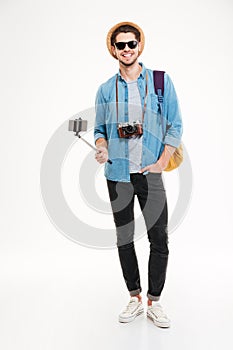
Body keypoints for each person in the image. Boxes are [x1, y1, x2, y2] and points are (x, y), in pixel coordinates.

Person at [94, 21, 182, 328]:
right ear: (114, 49)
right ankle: (133, 297)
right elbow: (99, 130)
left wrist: (161, 162)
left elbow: (176, 125)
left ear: (140, 45)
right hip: (117, 174)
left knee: (159, 239)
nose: (128, 49)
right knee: (124, 239)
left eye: (132, 44)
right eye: (122, 45)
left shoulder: (159, 81)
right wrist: (102, 147)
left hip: (150, 173)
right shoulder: (106, 89)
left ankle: (153, 302)